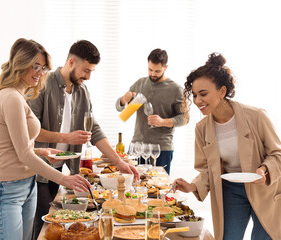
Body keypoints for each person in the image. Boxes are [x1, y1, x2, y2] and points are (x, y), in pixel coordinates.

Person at [28, 39, 140, 240]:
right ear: (71, 62)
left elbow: (94, 129)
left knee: (60, 224)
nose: (88, 76)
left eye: (91, 72)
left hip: (61, 167)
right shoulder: (43, 84)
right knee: (44, 226)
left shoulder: (82, 91)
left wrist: (119, 162)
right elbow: (30, 130)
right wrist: (65, 137)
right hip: (39, 169)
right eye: (86, 70)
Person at [0, 38, 91, 240]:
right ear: (20, 64)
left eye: (43, 67)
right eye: (35, 66)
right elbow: (23, 153)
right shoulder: (11, 97)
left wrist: (42, 152)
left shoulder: (18, 97)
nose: (40, 73)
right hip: (5, 191)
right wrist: (64, 179)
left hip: (26, 185)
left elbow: (18, 147)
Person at [174, 53, 281, 240]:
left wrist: (264, 170)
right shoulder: (202, 129)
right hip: (230, 190)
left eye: (204, 94)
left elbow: (277, 154)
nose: (198, 101)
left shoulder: (256, 117)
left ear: (222, 91)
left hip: (264, 188)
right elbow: (207, 169)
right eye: (195, 95)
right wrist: (192, 186)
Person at [115, 48, 187, 174]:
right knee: (133, 186)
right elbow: (120, 109)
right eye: (150, 69)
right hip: (137, 146)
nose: (153, 74)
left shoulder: (175, 89)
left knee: (158, 188)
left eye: (157, 71)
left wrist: (163, 121)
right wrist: (123, 100)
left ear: (166, 67)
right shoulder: (140, 84)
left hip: (161, 149)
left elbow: (185, 118)